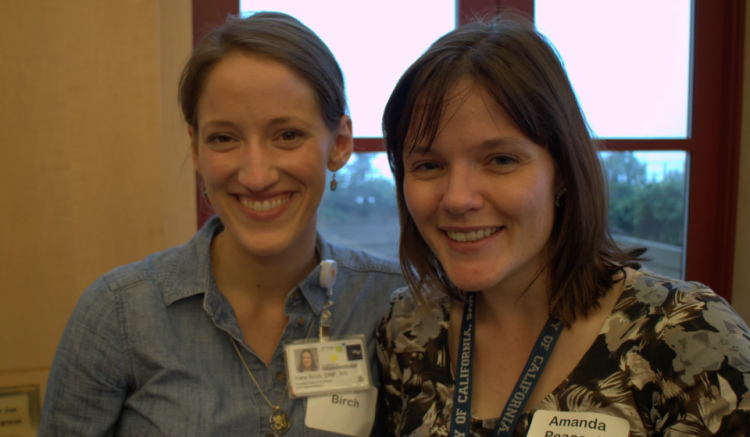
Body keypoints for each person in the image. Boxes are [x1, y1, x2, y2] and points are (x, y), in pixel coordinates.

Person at [376, 16, 750, 437]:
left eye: (501, 160)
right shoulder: (407, 327)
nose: (459, 199)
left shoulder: (687, 335)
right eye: (428, 165)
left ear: (564, 172)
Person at [39, 12, 404, 436]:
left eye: (286, 135)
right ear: (195, 149)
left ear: (339, 144)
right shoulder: (116, 315)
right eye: (224, 139)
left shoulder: (393, 306)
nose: (255, 175)